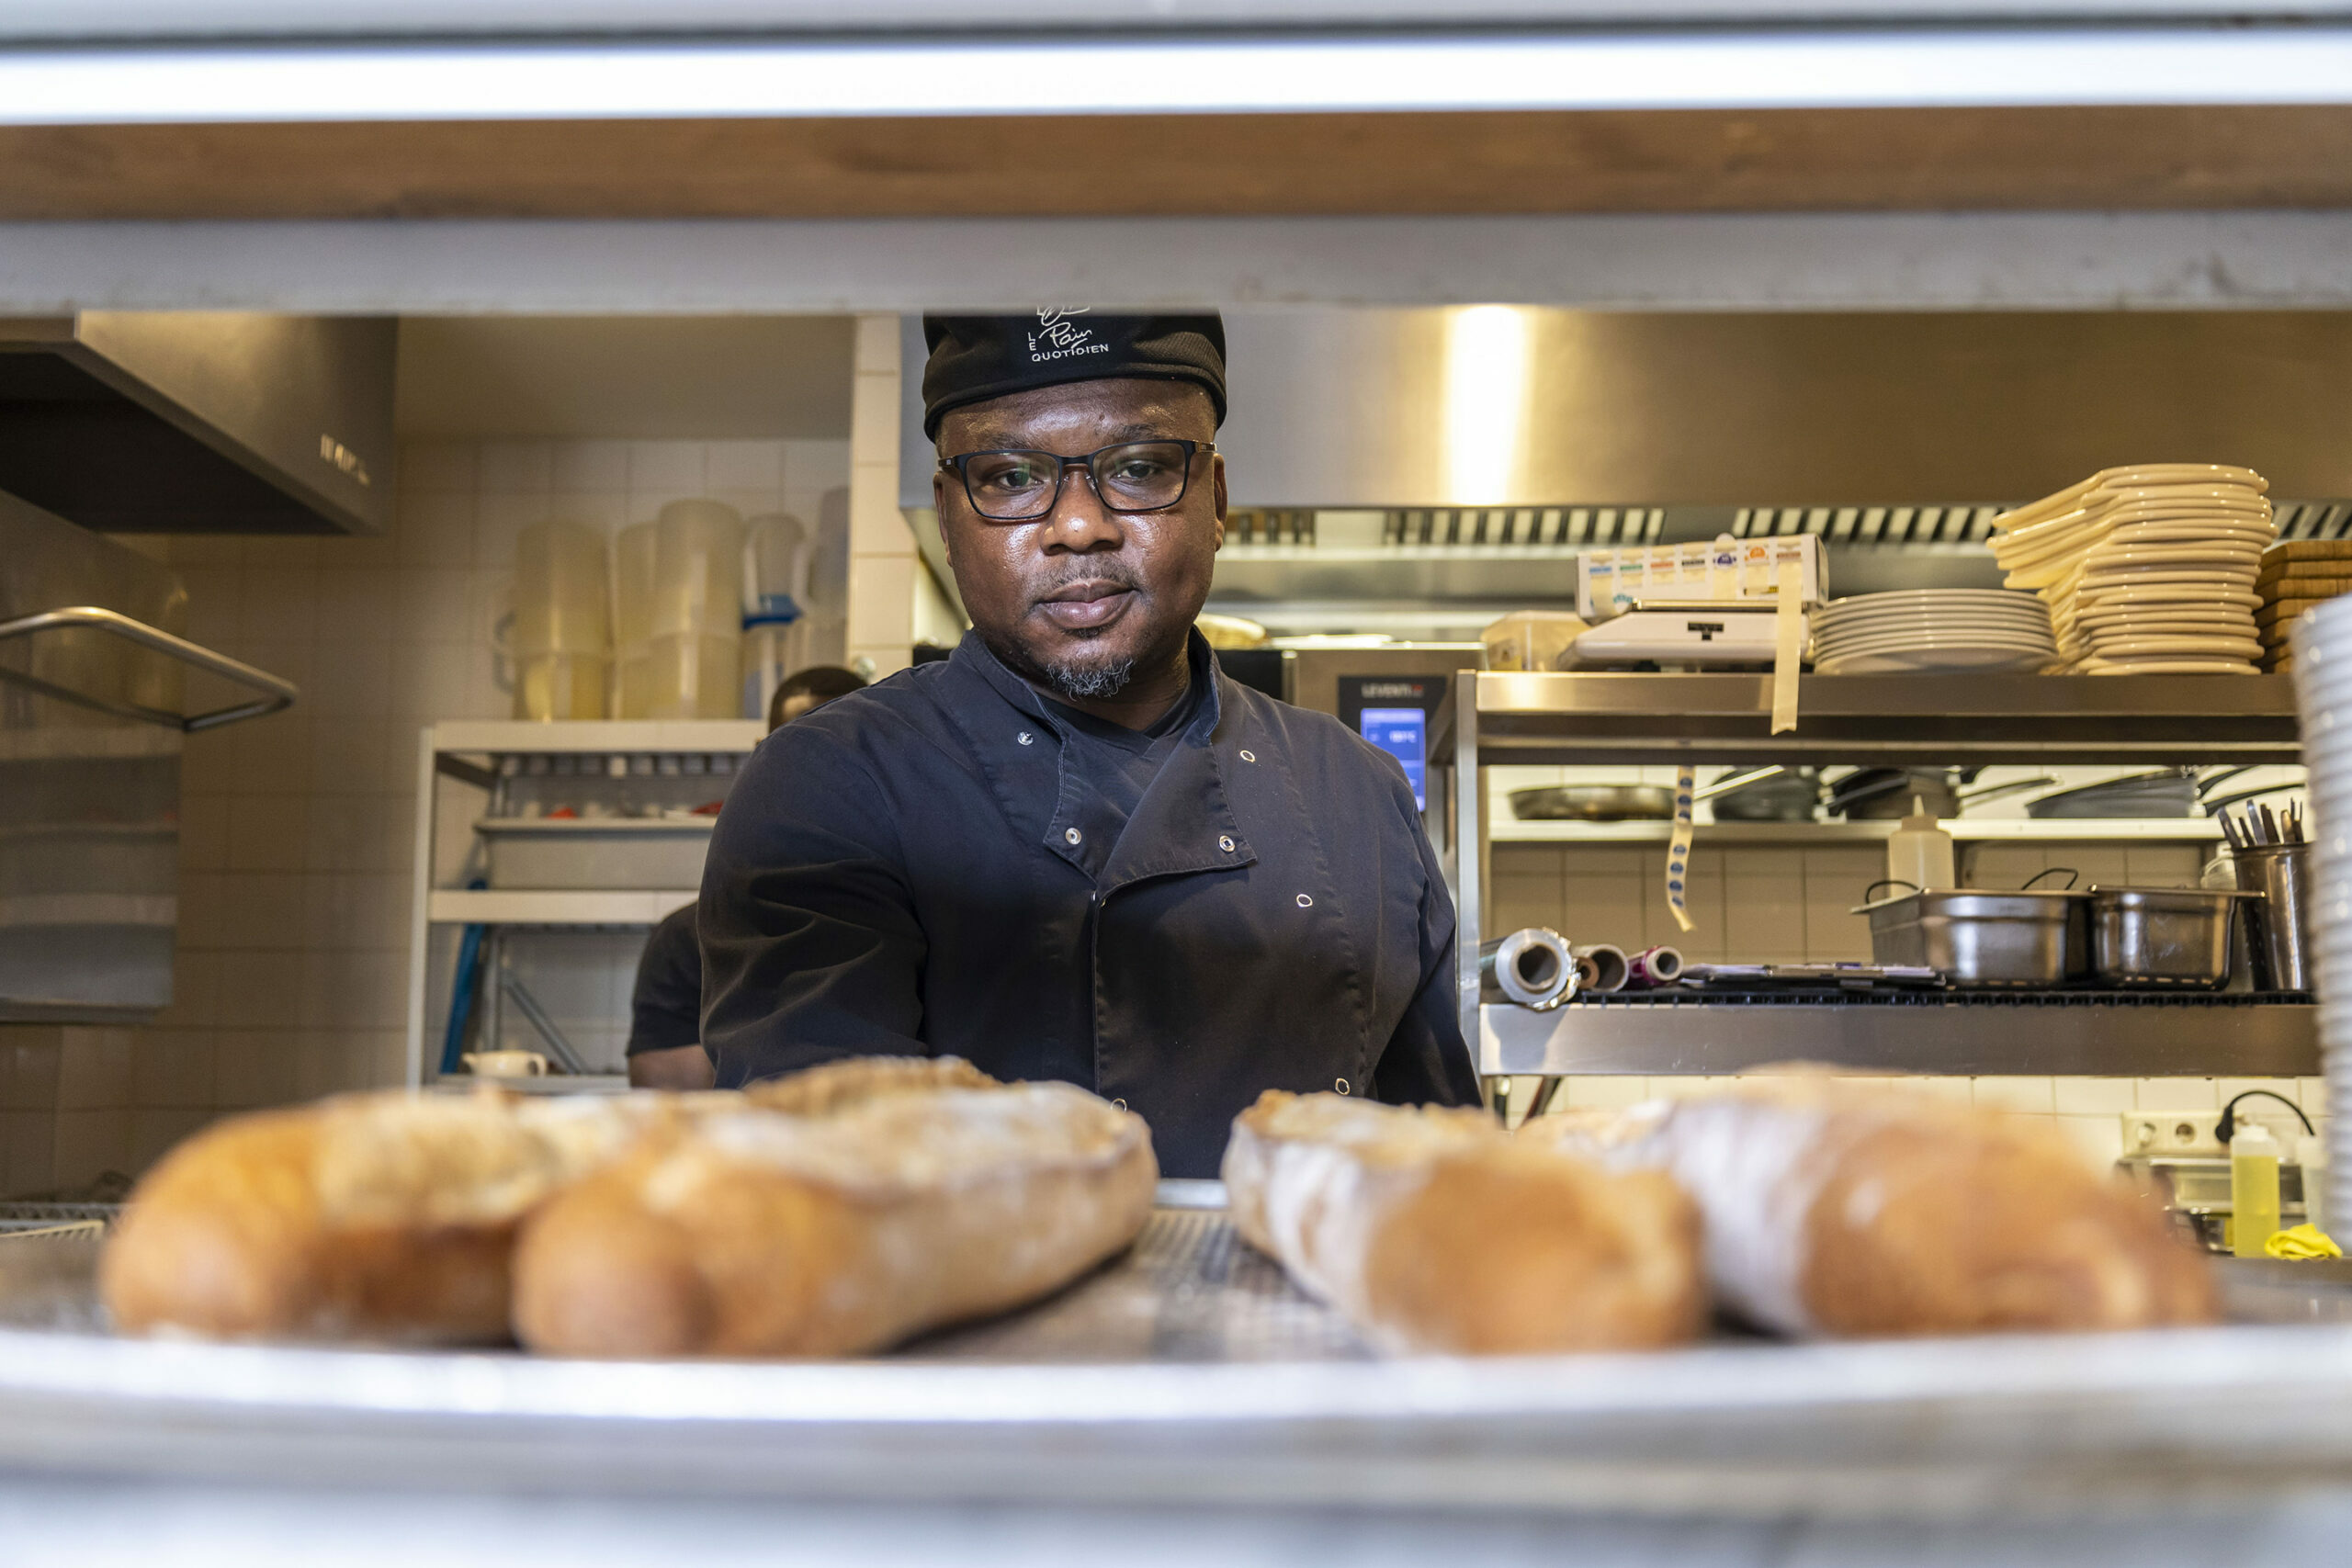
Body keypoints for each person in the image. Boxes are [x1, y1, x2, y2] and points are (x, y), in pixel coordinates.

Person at [698, 310, 1480, 1176]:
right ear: (949, 516)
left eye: (1140, 468)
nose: (1079, 526)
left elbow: (1443, 1179)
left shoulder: (1357, 789)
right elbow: (824, 1195)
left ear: (1216, 500)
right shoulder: (831, 785)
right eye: (1008, 476)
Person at [625, 664, 867, 1089]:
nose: (823, 774)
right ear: (763, 753)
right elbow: (672, 1106)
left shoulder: (946, 914)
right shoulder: (690, 939)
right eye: (799, 747)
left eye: (844, 754)